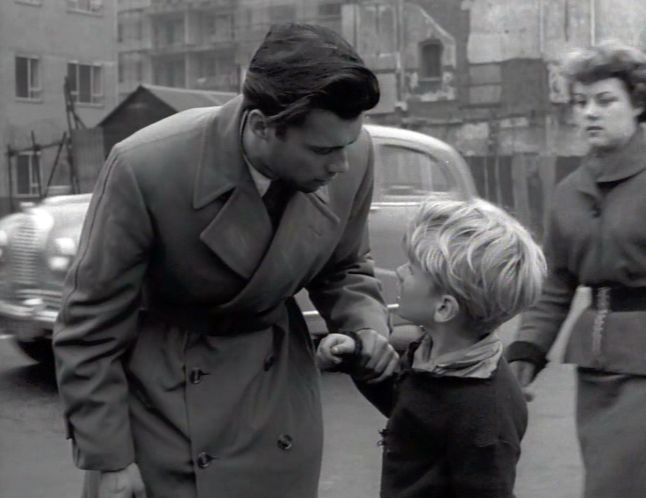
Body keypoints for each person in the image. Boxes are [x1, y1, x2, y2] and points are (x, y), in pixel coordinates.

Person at [53, 23, 398, 498]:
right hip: (166, 412)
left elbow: (345, 266)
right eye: (322, 150)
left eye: (345, 146)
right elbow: (89, 327)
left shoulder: (351, 154)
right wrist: (111, 459)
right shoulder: (145, 167)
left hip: (277, 406)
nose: (339, 165)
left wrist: (366, 330)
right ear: (260, 126)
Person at [319, 193, 547, 497]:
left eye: (412, 269)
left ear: (444, 308)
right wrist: (359, 358)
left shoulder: (485, 413)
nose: (400, 271)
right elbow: (410, 410)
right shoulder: (434, 355)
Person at [506, 40, 646, 498]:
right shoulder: (569, 192)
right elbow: (556, 282)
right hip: (596, 365)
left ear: (638, 104)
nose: (589, 113)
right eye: (581, 102)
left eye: (605, 101)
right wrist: (526, 352)